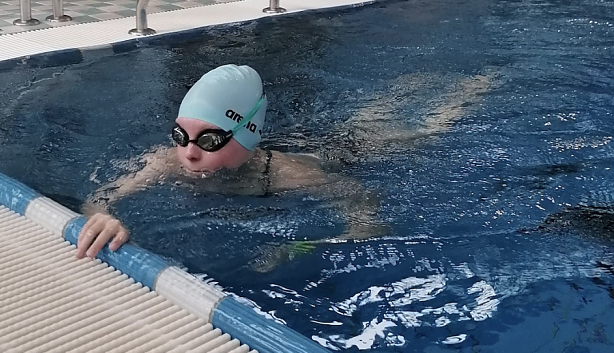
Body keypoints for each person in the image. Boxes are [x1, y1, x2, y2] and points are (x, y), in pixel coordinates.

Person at [74, 64, 494, 261]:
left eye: (211, 139)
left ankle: (470, 89)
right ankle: (408, 82)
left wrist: (298, 248)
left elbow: (366, 216)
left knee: (419, 132)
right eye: (181, 135)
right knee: (373, 116)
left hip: (341, 153)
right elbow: (100, 199)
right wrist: (104, 218)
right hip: (303, 141)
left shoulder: (291, 176)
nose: (189, 153)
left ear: (248, 135)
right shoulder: (165, 162)